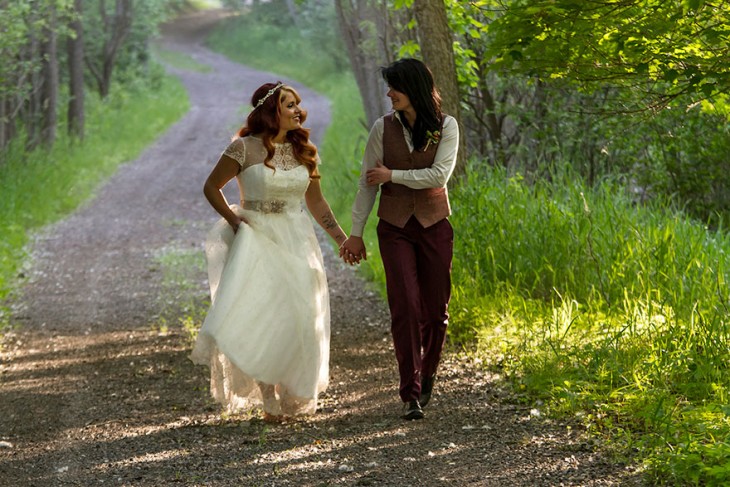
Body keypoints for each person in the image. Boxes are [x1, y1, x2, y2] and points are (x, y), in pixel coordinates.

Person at [191, 82, 348, 422]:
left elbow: (317, 201)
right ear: (271, 110)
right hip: (257, 236)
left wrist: (340, 238)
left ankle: (293, 388)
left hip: (297, 236)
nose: (297, 110)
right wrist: (234, 220)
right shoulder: (243, 149)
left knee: (302, 314)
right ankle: (267, 395)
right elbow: (210, 187)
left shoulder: (305, 150)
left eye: (298, 104)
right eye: (288, 104)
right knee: (264, 311)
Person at [340, 58, 459, 420]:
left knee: (435, 312)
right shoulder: (382, 128)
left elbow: (439, 176)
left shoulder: (447, 126)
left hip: (434, 223)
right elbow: (367, 183)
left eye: (396, 87)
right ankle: (410, 392)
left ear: (415, 89)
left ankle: (428, 372)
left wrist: (392, 173)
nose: (389, 94)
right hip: (393, 227)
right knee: (405, 305)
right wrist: (356, 233)